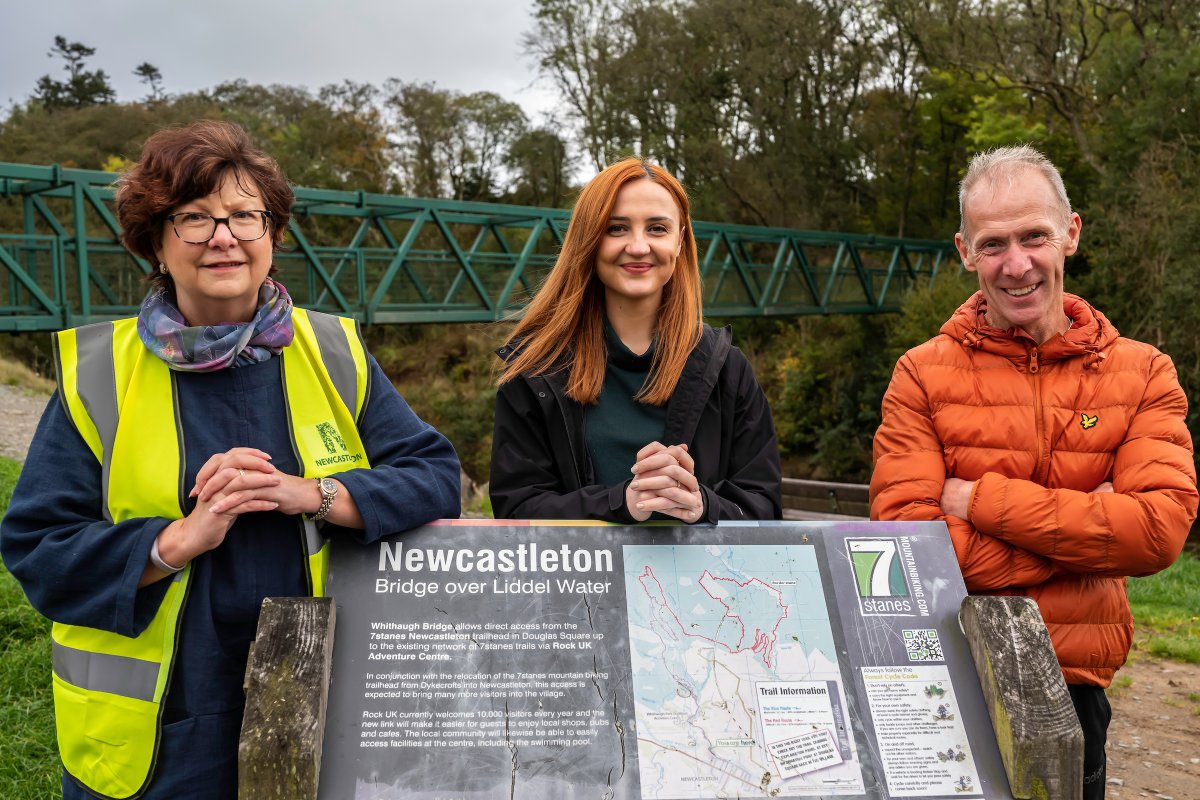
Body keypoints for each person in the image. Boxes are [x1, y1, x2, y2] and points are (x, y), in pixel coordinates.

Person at [0, 120, 462, 800]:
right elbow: (38, 546)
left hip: (321, 694)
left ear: (272, 235)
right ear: (156, 243)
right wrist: (174, 540)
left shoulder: (333, 350)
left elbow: (435, 477)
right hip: (165, 728)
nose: (224, 237)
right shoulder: (97, 375)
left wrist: (314, 494)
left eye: (246, 215)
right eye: (194, 219)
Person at [870, 145, 1197, 799]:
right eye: (993, 244)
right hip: (946, 675)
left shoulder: (1144, 372)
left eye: (1033, 237)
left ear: (1070, 234)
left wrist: (980, 502)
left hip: (1075, 689)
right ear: (965, 251)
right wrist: (1088, 540)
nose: (1015, 265)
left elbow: (1157, 532)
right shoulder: (920, 375)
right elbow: (908, 550)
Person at [490, 157, 781, 523]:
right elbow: (516, 510)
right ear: (589, 241)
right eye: (616, 229)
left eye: (657, 228)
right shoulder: (537, 369)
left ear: (681, 240)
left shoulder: (727, 369)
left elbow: (764, 508)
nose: (639, 246)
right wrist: (621, 503)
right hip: (584, 581)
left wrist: (702, 505)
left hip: (700, 581)